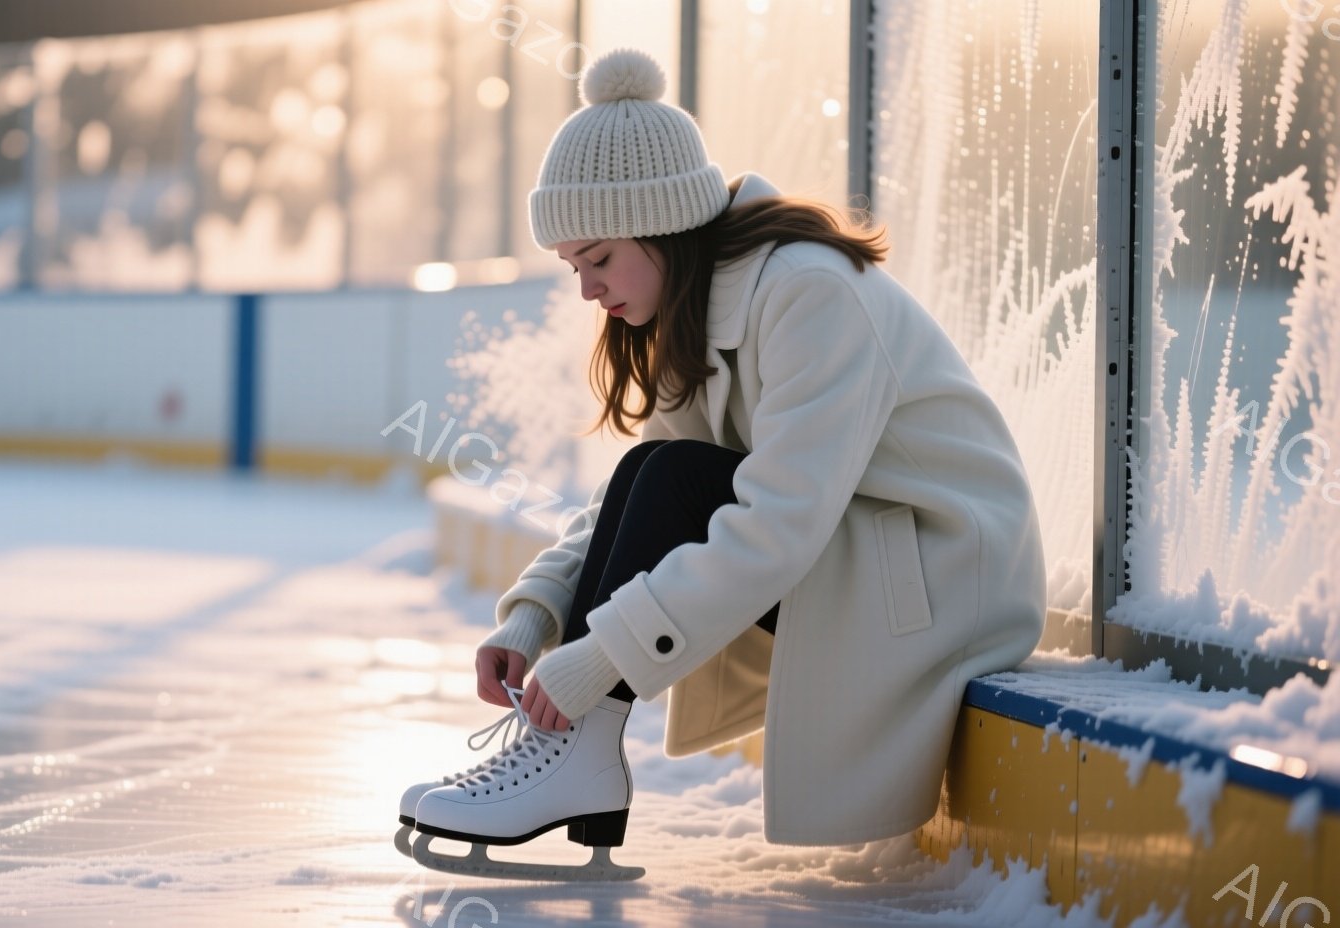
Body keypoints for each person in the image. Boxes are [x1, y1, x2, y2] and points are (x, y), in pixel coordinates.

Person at [396, 46, 1046, 882]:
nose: (587, 291)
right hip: (865, 557)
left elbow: (780, 518)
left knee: (671, 475)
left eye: (598, 258)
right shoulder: (696, 309)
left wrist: (600, 662)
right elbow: (632, 504)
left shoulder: (810, 294)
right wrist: (537, 619)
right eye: (573, 268)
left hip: (945, 579)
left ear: (662, 223)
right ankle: (573, 758)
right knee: (657, 469)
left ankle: (571, 753)